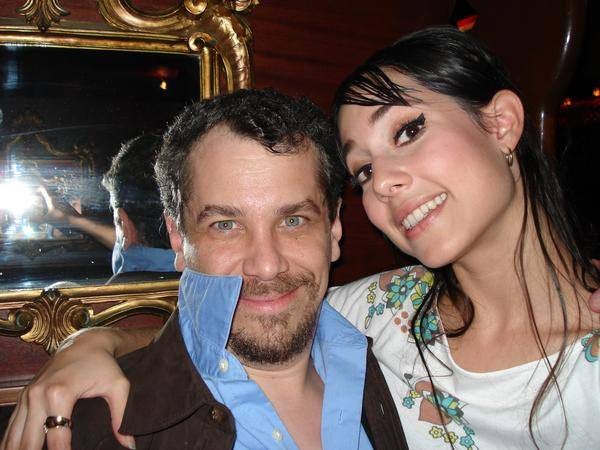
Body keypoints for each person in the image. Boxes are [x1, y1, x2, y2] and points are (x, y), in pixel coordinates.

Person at [2, 26, 600, 450]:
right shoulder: (386, 313)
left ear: (501, 123)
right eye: (363, 168)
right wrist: (90, 342)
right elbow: (240, 320)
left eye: (408, 130)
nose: (383, 181)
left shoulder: (368, 326)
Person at [3, 89, 406, 450]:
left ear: (333, 227)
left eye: (293, 220)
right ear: (178, 239)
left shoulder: (392, 358)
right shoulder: (93, 430)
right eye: (226, 225)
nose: (267, 265)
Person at [38, 134, 177, 282]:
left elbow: (131, 242)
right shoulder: (190, 270)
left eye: (117, 222)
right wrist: (72, 220)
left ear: (123, 223)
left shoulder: (115, 291)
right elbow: (136, 242)